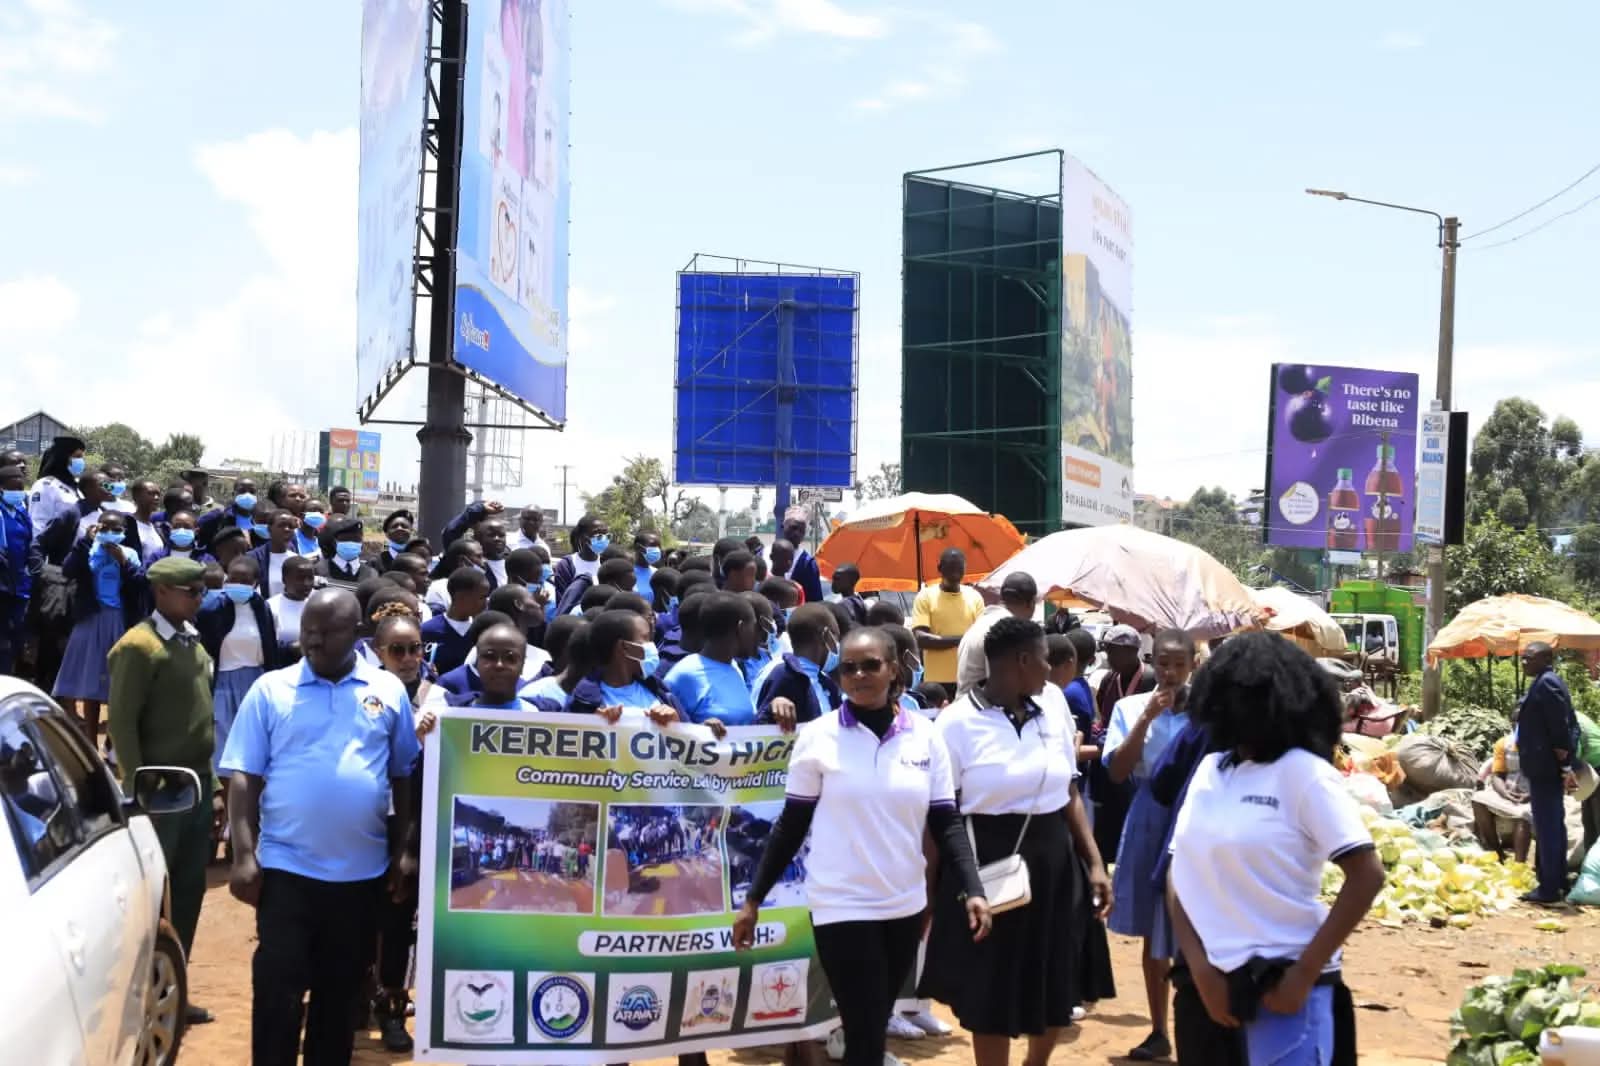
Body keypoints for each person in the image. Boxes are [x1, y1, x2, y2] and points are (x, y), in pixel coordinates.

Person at [733, 626, 991, 1066]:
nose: (857, 675)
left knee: (870, 1026)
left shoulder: (926, 737)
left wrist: (974, 888)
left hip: (904, 904)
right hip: (840, 903)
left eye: (870, 665)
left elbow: (946, 823)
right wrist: (753, 899)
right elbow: (790, 826)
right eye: (847, 667)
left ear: (893, 669)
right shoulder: (818, 736)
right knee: (866, 1028)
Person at [221, 588, 421, 1066]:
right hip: (287, 870)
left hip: (360, 876)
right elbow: (244, 778)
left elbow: (403, 777)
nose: (311, 639)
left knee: (339, 996)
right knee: (278, 990)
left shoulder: (387, 691)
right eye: (308, 629)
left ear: (356, 635)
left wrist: (405, 852)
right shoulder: (270, 690)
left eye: (325, 631)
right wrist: (244, 856)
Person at [1167, 632, 1385, 1066]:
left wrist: (1303, 975)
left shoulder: (1305, 775)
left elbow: (1367, 874)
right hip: (1205, 989)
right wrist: (1202, 969)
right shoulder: (1212, 769)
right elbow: (1177, 872)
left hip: (1282, 989)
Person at [922, 618, 1113, 1064]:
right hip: (986, 865)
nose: (1051, 669)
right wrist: (934, 889)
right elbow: (941, 814)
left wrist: (1095, 862)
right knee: (991, 988)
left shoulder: (1052, 707)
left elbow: (1068, 792)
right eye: (1045, 659)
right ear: (1022, 661)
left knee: (1056, 978)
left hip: (1055, 863)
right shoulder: (956, 724)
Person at [105, 556, 219, 1025]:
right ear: (162, 593)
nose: (200, 599)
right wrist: (137, 787)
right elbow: (122, 722)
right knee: (155, 896)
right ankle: (137, 999)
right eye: (191, 592)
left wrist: (211, 788)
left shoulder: (192, 642)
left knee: (188, 892)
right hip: (159, 792)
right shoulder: (140, 646)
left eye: (201, 592)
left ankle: (172, 987)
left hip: (193, 787)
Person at [1103, 628, 1197, 1062]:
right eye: (1163, 663)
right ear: (1151, 661)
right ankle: (1159, 1030)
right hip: (1150, 816)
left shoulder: (1208, 712)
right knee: (1154, 929)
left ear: (1193, 664)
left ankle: (1200, 1024)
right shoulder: (1129, 707)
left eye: (1179, 664)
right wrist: (1146, 720)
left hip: (1197, 818)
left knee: (1196, 923)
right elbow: (1118, 771)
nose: (1171, 672)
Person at [198, 555, 281, 814]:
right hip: (222, 685)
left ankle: (249, 810)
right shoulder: (212, 608)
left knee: (254, 748)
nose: (238, 584)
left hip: (255, 683)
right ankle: (231, 811)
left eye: (245, 581)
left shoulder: (261, 608)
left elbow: (269, 648)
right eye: (233, 579)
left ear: (256, 582)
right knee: (222, 751)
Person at [55, 510, 144, 749]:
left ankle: (113, 740)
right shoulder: (87, 549)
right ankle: (90, 741)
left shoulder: (130, 554)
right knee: (90, 682)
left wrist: (123, 562)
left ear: (124, 532)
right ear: (98, 528)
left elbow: (140, 585)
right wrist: (85, 541)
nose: (111, 533)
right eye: (106, 529)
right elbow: (68, 570)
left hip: (119, 621)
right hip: (90, 619)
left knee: (118, 683)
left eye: (117, 530)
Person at [1517, 642, 1581, 904]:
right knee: (1552, 825)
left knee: (1548, 827)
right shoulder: (1544, 681)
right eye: (1522, 658)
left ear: (1545, 658)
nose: (1524, 663)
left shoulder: (1547, 683)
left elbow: (1560, 727)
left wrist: (1565, 765)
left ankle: (1549, 889)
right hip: (1544, 766)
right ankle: (1557, 881)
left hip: (1546, 767)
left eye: (1528, 658)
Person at [1090, 624, 1156, 863]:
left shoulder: (1151, 679)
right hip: (1111, 766)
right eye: (1107, 650)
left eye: (1114, 651)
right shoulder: (1109, 679)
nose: (1109, 656)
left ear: (1132, 651)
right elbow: (1102, 716)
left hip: (1139, 769)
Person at [566, 608, 684, 723]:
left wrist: (675, 723)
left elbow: (693, 736)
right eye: (645, 638)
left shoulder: (660, 691)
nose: (651, 645)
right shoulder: (583, 702)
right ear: (624, 647)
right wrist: (594, 723)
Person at [665, 591, 760, 728]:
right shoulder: (685, 674)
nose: (756, 635)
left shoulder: (734, 667)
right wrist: (701, 730)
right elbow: (667, 731)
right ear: (741, 628)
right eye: (754, 627)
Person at [753, 603, 840, 724]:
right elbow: (762, 726)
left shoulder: (827, 683)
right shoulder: (783, 675)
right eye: (836, 636)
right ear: (826, 635)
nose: (837, 644)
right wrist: (773, 707)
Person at [955, 572, 1039, 697]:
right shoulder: (1008, 630)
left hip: (966, 707)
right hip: (981, 712)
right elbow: (1005, 688)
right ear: (1031, 603)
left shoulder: (982, 622)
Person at [912, 548, 986, 689]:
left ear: (965, 568)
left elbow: (982, 638)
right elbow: (921, 639)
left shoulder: (975, 597)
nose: (955, 571)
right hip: (936, 683)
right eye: (951, 566)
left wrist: (943, 640)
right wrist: (964, 639)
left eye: (959, 566)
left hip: (969, 680)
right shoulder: (925, 596)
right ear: (940, 568)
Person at [1471, 733, 1533, 864]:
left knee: (1524, 815)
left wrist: (1531, 795)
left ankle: (1519, 864)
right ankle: (1497, 853)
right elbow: (1496, 775)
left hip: (1534, 795)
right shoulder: (1504, 744)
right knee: (1478, 799)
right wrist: (1505, 793)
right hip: (1507, 792)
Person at [421, 565, 490, 674]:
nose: (486, 602)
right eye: (482, 597)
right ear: (461, 596)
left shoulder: (484, 630)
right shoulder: (427, 631)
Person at [0, 463, 32, 674]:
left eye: (21, 487)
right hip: (2, 586)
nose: (18, 492)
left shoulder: (21, 511)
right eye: (13, 488)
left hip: (19, 585)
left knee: (16, 638)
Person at [26, 434, 86, 539]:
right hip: (55, 551)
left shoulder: (75, 486)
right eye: (77, 456)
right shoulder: (46, 485)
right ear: (63, 457)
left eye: (82, 457)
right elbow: (38, 524)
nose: (81, 461)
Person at [269, 555, 316, 657]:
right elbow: (264, 648)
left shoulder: (317, 607)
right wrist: (290, 649)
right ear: (284, 580)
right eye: (300, 578)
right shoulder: (270, 607)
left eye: (310, 578)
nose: (307, 583)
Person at [195, 477, 259, 551]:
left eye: (252, 491)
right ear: (233, 494)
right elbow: (199, 539)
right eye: (242, 491)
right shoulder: (218, 516)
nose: (247, 495)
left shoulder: (262, 519)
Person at [426, 539, 486, 616]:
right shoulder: (438, 589)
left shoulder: (482, 586)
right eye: (479, 556)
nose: (484, 561)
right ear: (462, 561)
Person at [315, 516, 378, 590]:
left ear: (361, 542)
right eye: (345, 539)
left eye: (355, 539)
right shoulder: (319, 569)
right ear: (335, 542)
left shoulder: (371, 575)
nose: (350, 543)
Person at [553, 514, 609, 597]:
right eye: (598, 535)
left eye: (606, 535)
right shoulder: (567, 565)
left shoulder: (608, 563)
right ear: (583, 537)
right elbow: (563, 600)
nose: (603, 539)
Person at [779, 509, 825, 605]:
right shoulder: (765, 554)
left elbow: (815, 601)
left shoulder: (807, 563)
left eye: (801, 531)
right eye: (793, 528)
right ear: (783, 526)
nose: (797, 533)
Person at [631, 529, 662, 596]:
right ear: (637, 547)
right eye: (652, 546)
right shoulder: (627, 573)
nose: (656, 550)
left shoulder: (657, 573)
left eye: (658, 547)